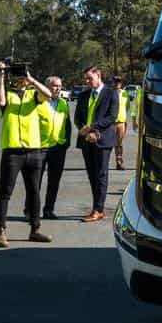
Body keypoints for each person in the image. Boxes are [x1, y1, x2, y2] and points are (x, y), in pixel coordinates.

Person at [0, 60, 55, 247]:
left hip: (33, 150)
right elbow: (1, 101)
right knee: (5, 192)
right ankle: (0, 231)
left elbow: (49, 94)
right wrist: (1, 75)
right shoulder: (9, 95)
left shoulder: (32, 96)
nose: (20, 78)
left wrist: (31, 80)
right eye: (18, 75)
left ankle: (35, 229)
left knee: (34, 191)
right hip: (13, 151)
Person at [74, 66, 118, 222]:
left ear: (98, 76)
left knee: (101, 175)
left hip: (103, 140)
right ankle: (98, 206)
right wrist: (83, 129)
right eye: (85, 78)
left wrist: (93, 128)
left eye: (89, 78)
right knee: (92, 175)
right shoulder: (84, 95)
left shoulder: (110, 93)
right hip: (86, 140)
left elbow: (111, 117)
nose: (86, 81)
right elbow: (78, 117)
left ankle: (98, 209)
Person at [38, 75, 72, 220]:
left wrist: (66, 143)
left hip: (58, 147)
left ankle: (49, 209)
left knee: (54, 181)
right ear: (46, 87)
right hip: (40, 147)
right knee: (35, 182)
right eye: (54, 86)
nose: (57, 88)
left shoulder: (64, 103)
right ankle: (30, 210)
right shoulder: (39, 102)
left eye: (59, 86)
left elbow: (67, 125)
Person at [112, 76, 128, 170]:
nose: (117, 83)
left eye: (119, 82)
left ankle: (119, 162)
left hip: (122, 122)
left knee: (119, 144)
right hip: (111, 123)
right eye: (115, 82)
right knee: (109, 144)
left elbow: (127, 107)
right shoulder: (109, 93)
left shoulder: (125, 93)